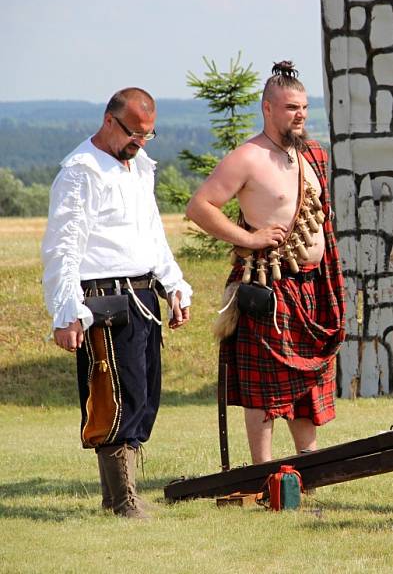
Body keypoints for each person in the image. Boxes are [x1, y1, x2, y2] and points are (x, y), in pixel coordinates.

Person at [41, 88, 192, 518]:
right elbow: (63, 249)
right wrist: (67, 312)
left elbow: (151, 235)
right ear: (110, 121)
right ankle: (123, 500)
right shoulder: (79, 172)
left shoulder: (139, 166)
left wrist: (174, 285)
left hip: (144, 295)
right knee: (114, 397)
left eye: (148, 134)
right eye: (133, 133)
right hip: (101, 300)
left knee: (144, 397)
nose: (140, 142)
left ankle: (116, 498)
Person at [186, 61, 345, 464]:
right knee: (265, 388)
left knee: (306, 380)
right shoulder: (247, 157)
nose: (300, 115)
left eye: (305, 108)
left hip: (312, 284)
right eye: (292, 107)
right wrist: (249, 238)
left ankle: (309, 465)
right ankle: (263, 471)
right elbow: (200, 206)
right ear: (268, 109)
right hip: (268, 286)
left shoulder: (312, 154)